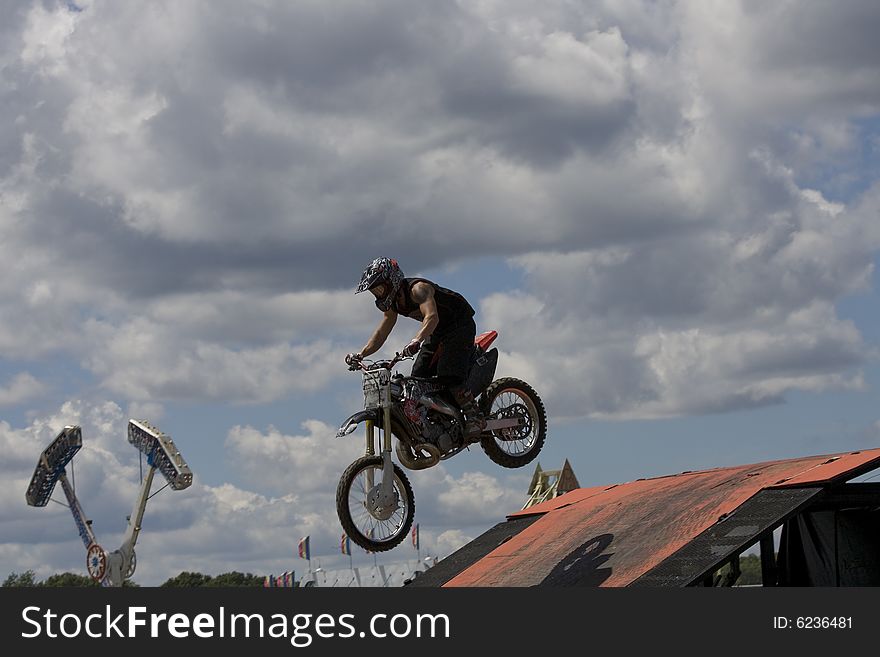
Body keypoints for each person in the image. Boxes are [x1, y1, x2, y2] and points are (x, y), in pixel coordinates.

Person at [345, 257, 486, 437]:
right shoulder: (393, 304)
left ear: (392, 280)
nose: (378, 294)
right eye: (374, 291)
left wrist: (416, 341)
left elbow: (432, 317)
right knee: (417, 379)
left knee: (449, 373)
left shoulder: (418, 289)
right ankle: (436, 420)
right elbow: (382, 333)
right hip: (437, 332)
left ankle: (474, 416)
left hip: (459, 325)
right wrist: (361, 354)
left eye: (380, 288)